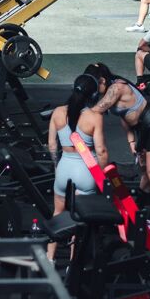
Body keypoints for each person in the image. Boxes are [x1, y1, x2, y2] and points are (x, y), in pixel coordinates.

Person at [86, 63, 150, 228]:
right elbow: (124, 116)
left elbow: (97, 110)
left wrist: (70, 110)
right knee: (145, 175)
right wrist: (132, 141)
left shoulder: (117, 88)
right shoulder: (112, 89)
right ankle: (138, 212)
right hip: (144, 130)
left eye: (94, 84)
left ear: (102, 80)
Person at [46, 74, 108, 261]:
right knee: (79, 220)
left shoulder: (57, 112)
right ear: (93, 95)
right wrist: (100, 175)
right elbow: (101, 151)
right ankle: (73, 265)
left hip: (64, 167)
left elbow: (51, 145)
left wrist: (57, 167)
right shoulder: (95, 117)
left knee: (57, 214)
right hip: (85, 171)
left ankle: (49, 259)